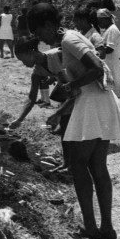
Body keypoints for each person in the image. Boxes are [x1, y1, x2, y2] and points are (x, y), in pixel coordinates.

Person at [28, 3, 120, 239]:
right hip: (98, 101)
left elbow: (96, 68)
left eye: (40, 32)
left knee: (79, 165)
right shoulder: (72, 38)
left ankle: (92, 227)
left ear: (50, 25)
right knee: (97, 167)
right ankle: (106, 227)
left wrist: (71, 86)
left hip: (92, 103)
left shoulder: (69, 40)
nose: (41, 39)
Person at [10, 36, 74, 171]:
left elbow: (72, 93)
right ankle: (68, 162)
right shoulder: (38, 71)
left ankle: (74, 163)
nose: (23, 63)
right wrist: (19, 119)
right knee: (65, 125)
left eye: (22, 59)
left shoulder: (55, 56)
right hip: (72, 93)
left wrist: (57, 114)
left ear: (30, 53)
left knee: (69, 124)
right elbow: (31, 98)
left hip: (82, 90)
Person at [97, 8, 120, 95]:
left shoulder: (112, 30)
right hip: (109, 64)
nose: (99, 23)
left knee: (112, 93)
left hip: (112, 65)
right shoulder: (108, 30)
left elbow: (109, 49)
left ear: (106, 19)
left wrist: (96, 53)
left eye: (100, 20)